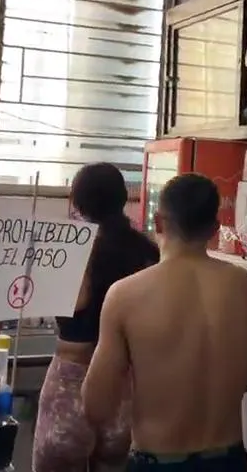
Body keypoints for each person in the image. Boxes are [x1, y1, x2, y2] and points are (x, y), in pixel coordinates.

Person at [82, 173, 247, 472]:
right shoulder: (242, 285)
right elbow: (246, 380)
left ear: (158, 222)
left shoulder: (125, 295)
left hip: (158, 462)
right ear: (214, 229)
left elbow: (96, 407)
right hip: (230, 459)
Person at [33, 162, 161, 472]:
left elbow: (73, 302)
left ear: (77, 202)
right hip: (124, 386)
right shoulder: (147, 251)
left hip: (71, 382)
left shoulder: (71, 250)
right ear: (122, 199)